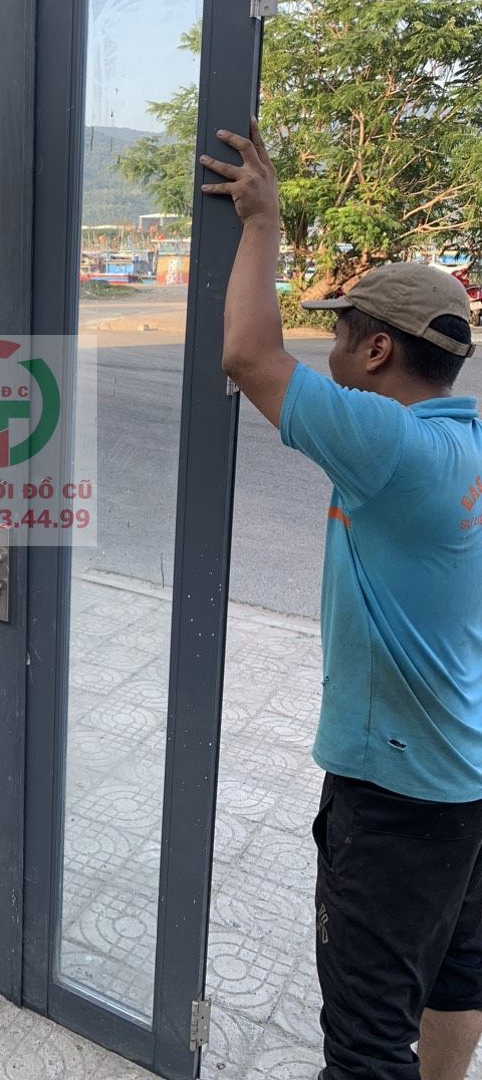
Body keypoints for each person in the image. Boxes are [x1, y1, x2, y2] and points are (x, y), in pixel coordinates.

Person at [201, 121, 482, 1080]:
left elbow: (249, 355)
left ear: (377, 352)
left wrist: (262, 223)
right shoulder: (465, 443)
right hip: (466, 778)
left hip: (399, 797)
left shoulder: (392, 447)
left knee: (366, 1043)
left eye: (340, 332)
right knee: (457, 973)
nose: (328, 346)